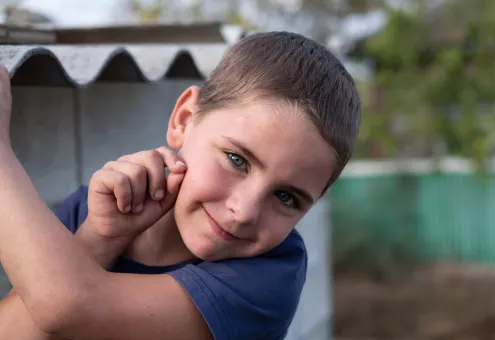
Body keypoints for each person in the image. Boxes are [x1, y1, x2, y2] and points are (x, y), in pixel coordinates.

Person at [0, 31, 361, 340]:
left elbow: (65, 303)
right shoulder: (92, 211)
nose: (245, 211)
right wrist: (99, 238)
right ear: (184, 119)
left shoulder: (268, 279)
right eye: (237, 160)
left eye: (286, 197)